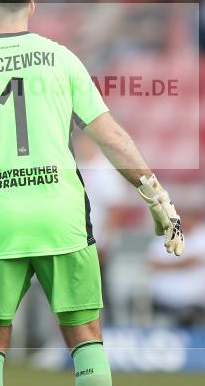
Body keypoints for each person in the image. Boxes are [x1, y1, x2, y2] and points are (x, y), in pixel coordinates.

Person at [0, 0, 184, 386]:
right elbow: (111, 137)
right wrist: (156, 195)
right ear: (32, 7)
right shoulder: (62, 59)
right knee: (84, 335)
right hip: (60, 215)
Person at [74, 133, 125, 320]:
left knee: (101, 286)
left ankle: (109, 326)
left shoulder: (104, 170)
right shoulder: (77, 166)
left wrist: (104, 241)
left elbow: (115, 209)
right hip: (77, 239)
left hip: (97, 241)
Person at [149, 210, 205, 327]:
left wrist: (167, 265)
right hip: (162, 299)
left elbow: (194, 260)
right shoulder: (165, 234)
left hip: (197, 301)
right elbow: (151, 263)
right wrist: (179, 265)